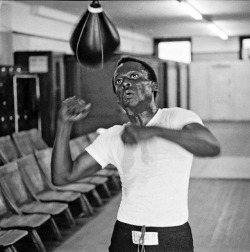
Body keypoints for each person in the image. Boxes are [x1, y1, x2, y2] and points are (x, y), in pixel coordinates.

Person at [51, 55, 221, 252]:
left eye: (133, 76)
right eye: (119, 81)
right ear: (117, 97)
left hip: (171, 236)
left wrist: (152, 131)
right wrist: (64, 124)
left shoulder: (177, 118)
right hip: (125, 235)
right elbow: (63, 176)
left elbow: (210, 145)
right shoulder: (113, 136)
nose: (125, 83)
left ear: (153, 86)